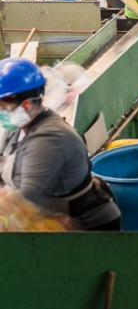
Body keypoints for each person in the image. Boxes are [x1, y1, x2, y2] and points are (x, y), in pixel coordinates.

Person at [0, 58, 121, 230]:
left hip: (83, 231)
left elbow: (26, 200)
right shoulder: (17, 128)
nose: (1, 113)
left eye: (3, 107)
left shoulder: (50, 139)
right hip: (47, 223)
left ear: (26, 105)